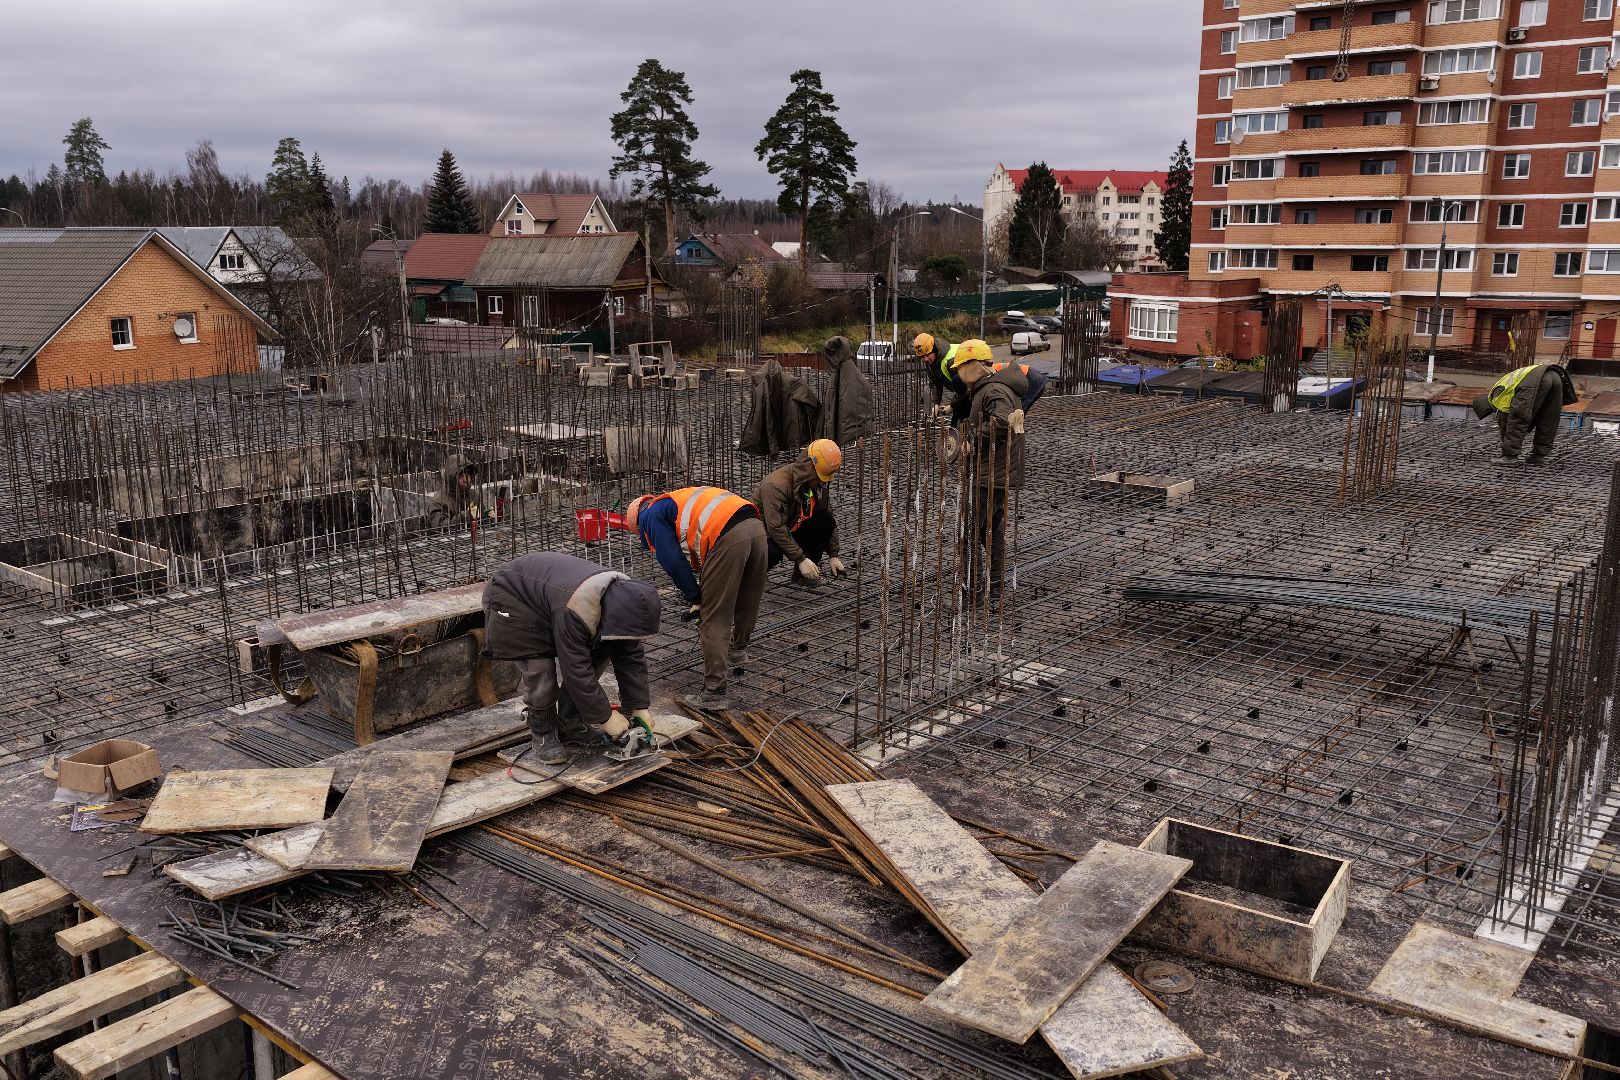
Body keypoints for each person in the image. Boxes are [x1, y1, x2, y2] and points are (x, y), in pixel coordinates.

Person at [481, 552, 660, 765]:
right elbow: (574, 668)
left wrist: (639, 705)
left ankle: (570, 724)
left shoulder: (628, 603)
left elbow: (630, 654)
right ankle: (543, 732)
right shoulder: (578, 608)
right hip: (513, 595)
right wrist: (606, 717)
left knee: (603, 647)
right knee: (541, 669)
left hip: (551, 597)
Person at [626, 486, 767, 706]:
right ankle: (737, 650)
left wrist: (696, 597)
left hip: (728, 534)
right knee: (748, 598)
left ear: (637, 522)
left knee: (713, 618)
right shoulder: (677, 500)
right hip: (756, 528)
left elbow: (672, 560)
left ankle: (714, 692)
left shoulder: (649, 516)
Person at [951, 340, 1026, 600]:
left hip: (989, 474)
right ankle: (994, 589)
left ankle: (973, 590)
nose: (958, 374)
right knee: (991, 532)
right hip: (997, 472)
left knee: (971, 532)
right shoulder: (990, 389)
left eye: (960, 367)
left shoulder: (993, 391)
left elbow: (1003, 423)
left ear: (972, 367)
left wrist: (971, 441)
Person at [754, 439, 848, 586]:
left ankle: (804, 575)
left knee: (825, 521)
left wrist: (833, 555)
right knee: (772, 551)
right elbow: (776, 528)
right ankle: (749, 579)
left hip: (790, 526)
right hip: (763, 534)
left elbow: (827, 514)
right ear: (810, 468)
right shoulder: (776, 486)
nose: (822, 483)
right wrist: (801, 559)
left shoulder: (813, 484)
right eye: (820, 478)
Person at [1471, 363, 1577, 465]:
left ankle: (1510, 457)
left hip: (1537, 381)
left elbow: (1510, 422)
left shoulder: (1496, 399)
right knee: (1548, 419)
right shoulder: (1499, 387)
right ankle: (1539, 456)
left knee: (1518, 418)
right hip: (1554, 375)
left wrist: (1507, 447)